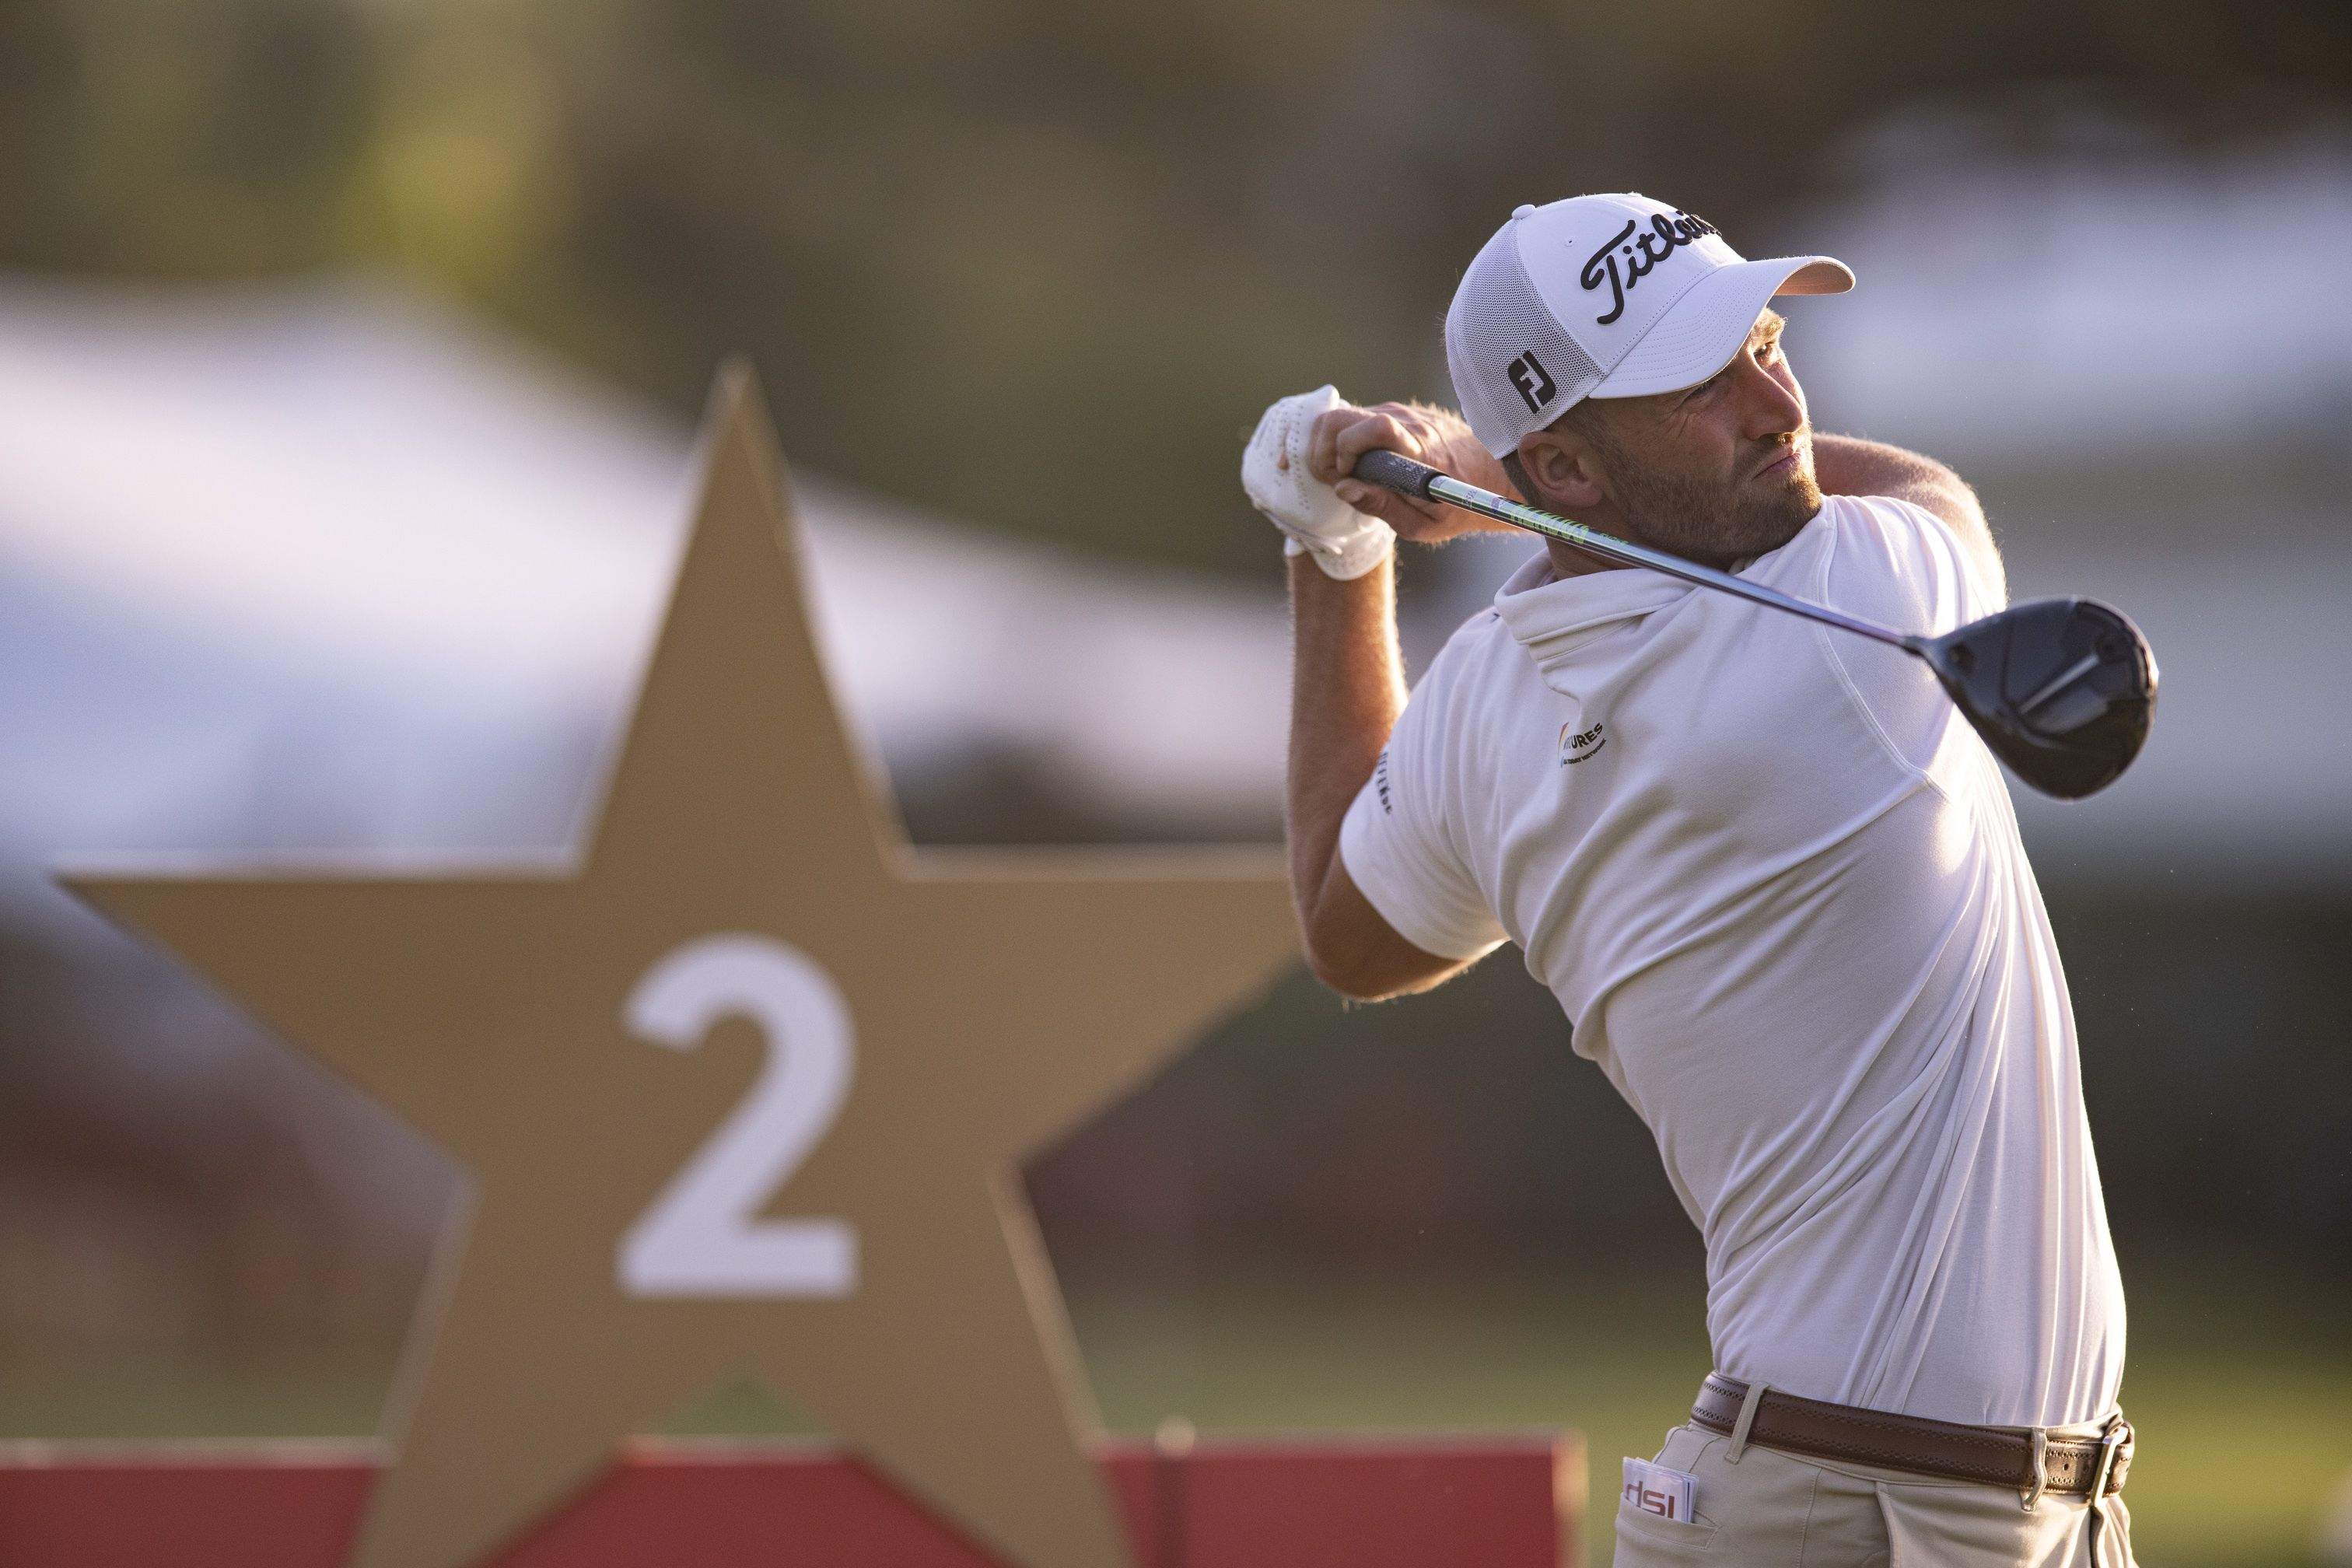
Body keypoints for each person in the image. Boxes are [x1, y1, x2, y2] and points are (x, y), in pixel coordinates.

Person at [1242, 192, 2135, 1566]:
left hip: (1821, 1492)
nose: (1774, 400)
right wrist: (1477, 471)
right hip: (1875, 1512)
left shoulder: (1483, 703)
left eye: (1766, 340)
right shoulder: (1853, 612)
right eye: (1700, 382)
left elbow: (1348, 935)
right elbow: (1928, 490)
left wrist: (1336, 547)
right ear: (1576, 471)